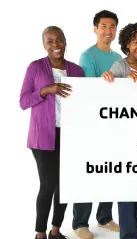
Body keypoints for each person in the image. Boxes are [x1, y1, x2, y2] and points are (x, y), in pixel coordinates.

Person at [19, 26, 84, 239]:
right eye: (50, 41)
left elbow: (84, 101)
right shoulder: (35, 68)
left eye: (59, 40)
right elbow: (23, 101)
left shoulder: (76, 70)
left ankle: (56, 230)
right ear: (44, 45)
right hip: (42, 137)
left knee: (64, 186)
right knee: (48, 185)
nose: (55, 45)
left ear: (66, 41)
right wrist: (46, 90)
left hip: (69, 135)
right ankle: (40, 234)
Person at [102, 21, 137, 239]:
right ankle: (128, 233)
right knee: (126, 184)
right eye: (135, 42)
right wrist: (121, 81)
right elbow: (111, 98)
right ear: (127, 43)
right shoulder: (120, 66)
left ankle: (135, 228)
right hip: (125, 136)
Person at [73, 10, 122, 239]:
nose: (108, 31)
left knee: (110, 170)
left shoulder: (117, 58)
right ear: (95, 28)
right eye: (104, 26)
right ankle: (80, 222)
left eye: (112, 26)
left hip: (113, 123)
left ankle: (104, 217)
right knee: (88, 172)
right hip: (92, 123)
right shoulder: (88, 56)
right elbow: (89, 92)